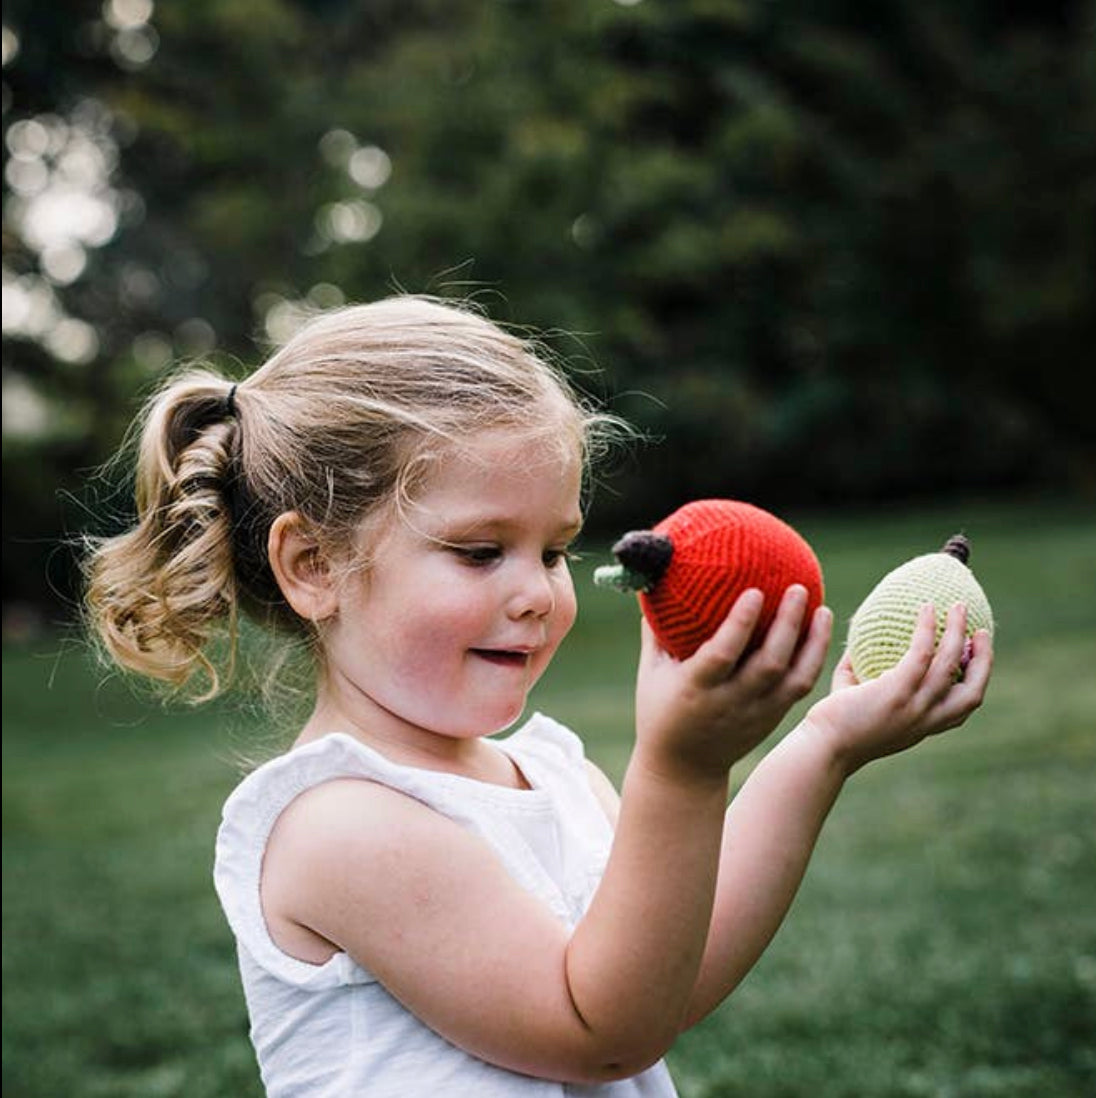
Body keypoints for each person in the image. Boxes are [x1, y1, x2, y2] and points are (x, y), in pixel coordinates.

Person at [84, 295, 993, 1097]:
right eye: (482, 552)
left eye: (555, 551)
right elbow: (600, 1034)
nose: (537, 592)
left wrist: (823, 745)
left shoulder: (551, 774)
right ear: (314, 566)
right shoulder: (341, 826)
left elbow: (665, 979)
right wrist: (680, 771)